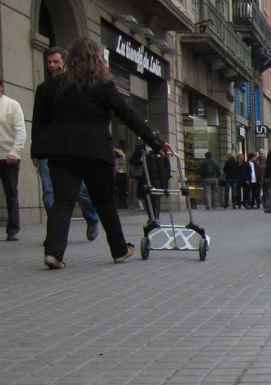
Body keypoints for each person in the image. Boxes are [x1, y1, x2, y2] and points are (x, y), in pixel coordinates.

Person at [32, 37, 169, 269]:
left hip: (61, 154)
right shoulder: (102, 85)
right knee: (105, 203)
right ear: (96, 59)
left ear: (70, 59)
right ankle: (119, 250)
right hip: (96, 153)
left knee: (62, 203)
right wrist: (156, 142)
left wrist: (38, 153)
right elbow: (128, 115)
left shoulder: (48, 87)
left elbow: (39, 124)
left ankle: (54, 253)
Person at [36, 47, 100, 241]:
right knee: (49, 195)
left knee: (79, 191)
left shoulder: (74, 86)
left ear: (64, 62)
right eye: (49, 62)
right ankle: (54, 236)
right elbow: (38, 120)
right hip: (49, 148)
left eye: (56, 62)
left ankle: (92, 217)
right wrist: (36, 149)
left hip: (70, 148)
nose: (52, 66)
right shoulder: (44, 89)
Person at [0, 77, 26, 241]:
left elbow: (21, 130)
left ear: (1, 87)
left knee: (11, 193)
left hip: (8, 157)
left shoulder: (12, 105)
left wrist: (15, 152)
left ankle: (13, 229)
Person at [113, 140, 129, 209]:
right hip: (123, 173)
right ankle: (123, 204)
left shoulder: (119, 153)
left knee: (118, 190)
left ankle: (119, 204)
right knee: (123, 190)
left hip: (119, 173)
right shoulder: (124, 153)